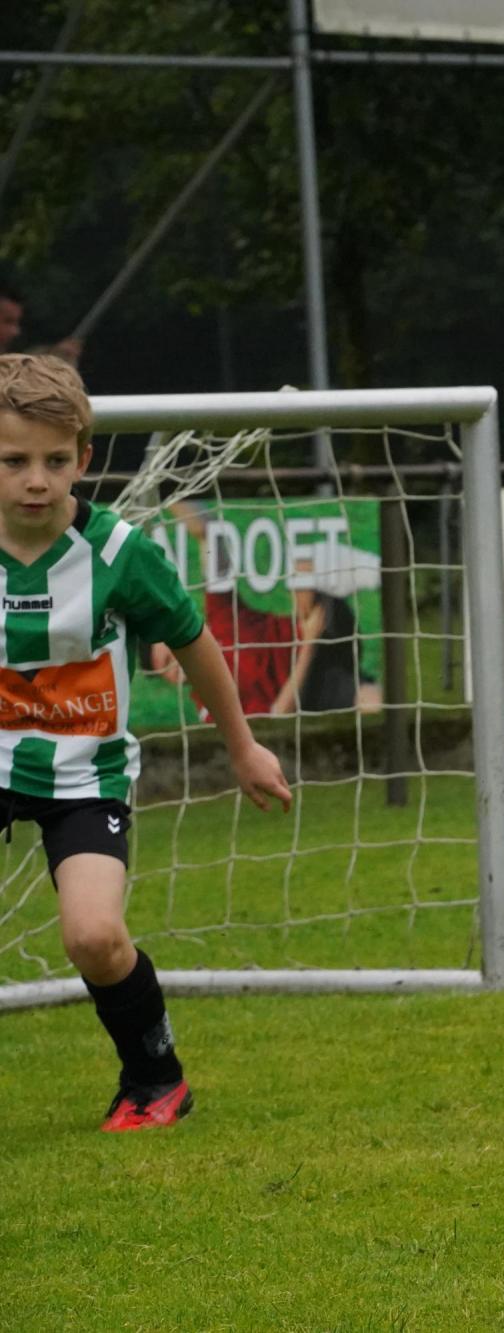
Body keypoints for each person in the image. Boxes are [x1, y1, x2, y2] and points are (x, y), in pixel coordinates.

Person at [0, 354, 291, 1131]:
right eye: (14, 460)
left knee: (95, 936)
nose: (36, 480)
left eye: (54, 460)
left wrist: (242, 747)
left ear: (83, 458)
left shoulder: (121, 553)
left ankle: (156, 1078)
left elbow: (194, 640)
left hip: (85, 774)